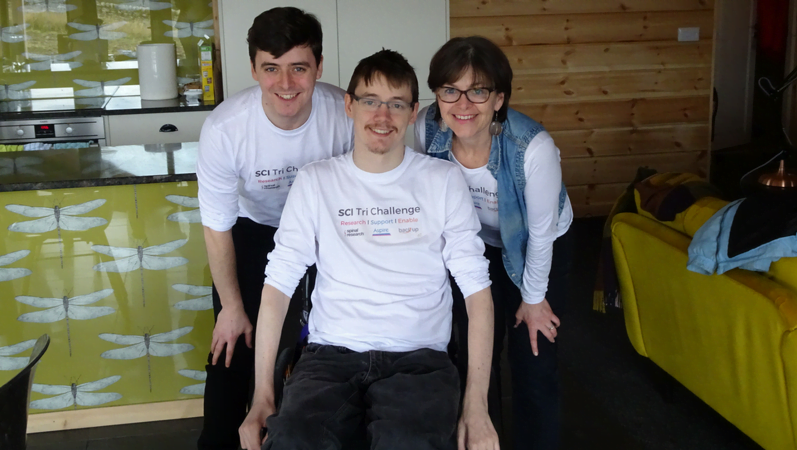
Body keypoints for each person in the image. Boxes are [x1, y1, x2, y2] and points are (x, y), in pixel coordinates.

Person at [238, 49, 500, 450]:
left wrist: (477, 407)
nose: (383, 116)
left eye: (396, 104)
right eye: (370, 101)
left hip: (420, 360)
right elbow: (278, 285)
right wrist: (261, 398)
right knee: (294, 440)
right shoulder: (316, 181)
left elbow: (477, 292)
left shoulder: (442, 181)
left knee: (406, 443)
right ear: (349, 105)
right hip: (329, 358)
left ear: (413, 113)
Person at [195, 7, 353, 449]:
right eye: (272, 68)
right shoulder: (226, 129)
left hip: (325, 235)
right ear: (254, 69)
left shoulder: (343, 113)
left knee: (322, 349)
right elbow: (217, 225)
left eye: (299, 68)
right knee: (232, 348)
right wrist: (230, 307)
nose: (286, 85)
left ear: (319, 67)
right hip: (253, 233)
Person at [414, 36, 574, 450]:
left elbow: (540, 234)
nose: (462, 105)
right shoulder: (425, 128)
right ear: (437, 93)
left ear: (499, 98)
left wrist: (534, 300)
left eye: (478, 91)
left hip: (537, 248)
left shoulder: (532, 148)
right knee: (470, 354)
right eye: (450, 90)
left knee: (532, 360)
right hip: (473, 247)